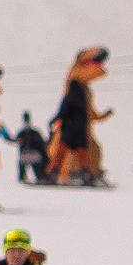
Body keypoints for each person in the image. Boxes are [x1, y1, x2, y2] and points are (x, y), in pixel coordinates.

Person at [48, 46, 110, 185]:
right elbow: (66, 107)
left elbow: (90, 112)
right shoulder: (75, 77)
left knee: (89, 150)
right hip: (71, 127)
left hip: (81, 128)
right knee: (65, 152)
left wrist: (103, 116)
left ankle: (89, 173)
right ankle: (62, 173)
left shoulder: (85, 91)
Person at [13, 114, 50, 184]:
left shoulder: (28, 132)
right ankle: (39, 177)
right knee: (35, 161)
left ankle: (37, 177)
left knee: (34, 161)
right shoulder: (31, 132)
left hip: (29, 154)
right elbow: (42, 144)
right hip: (29, 154)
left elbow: (41, 144)